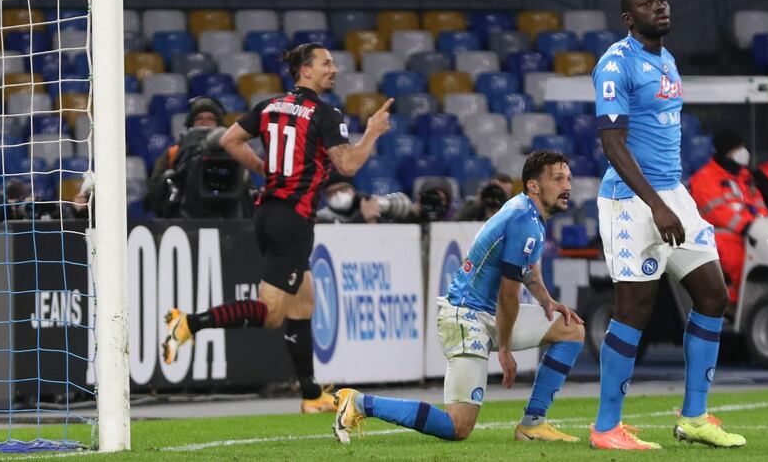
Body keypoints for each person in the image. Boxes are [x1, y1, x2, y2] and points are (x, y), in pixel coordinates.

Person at [161, 43, 392, 413]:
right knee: (271, 314)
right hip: (293, 219)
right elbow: (347, 165)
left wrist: (264, 170)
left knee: (304, 303)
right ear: (305, 71)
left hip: (269, 212)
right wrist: (373, 132)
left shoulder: (269, 106)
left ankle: (311, 393)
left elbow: (228, 140)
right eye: (326, 63)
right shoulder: (324, 113)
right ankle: (187, 323)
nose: (334, 68)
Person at [332, 150, 585, 445]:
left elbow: (527, 269)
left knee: (570, 329)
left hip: (486, 313)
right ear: (533, 185)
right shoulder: (523, 220)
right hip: (466, 317)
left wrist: (545, 301)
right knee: (457, 427)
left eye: (568, 178)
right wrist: (504, 349)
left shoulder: (530, 215)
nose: (567, 186)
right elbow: (508, 294)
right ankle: (359, 402)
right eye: (558, 179)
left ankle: (533, 424)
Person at [589, 0, 745, 450]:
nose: (658, 6)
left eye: (661, 0)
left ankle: (694, 417)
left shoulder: (667, 60)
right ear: (628, 18)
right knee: (634, 308)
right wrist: (655, 205)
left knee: (713, 294)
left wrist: (670, 199)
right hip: (630, 200)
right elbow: (612, 143)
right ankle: (605, 428)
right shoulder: (615, 63)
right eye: (645, 3)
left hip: (672, 193)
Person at [690, 130, 768, 304]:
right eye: (738, 148)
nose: (743, 152)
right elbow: (718, 213)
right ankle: (735, 306)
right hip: (718, 236)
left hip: (751, 233)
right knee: (742, 263)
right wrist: (749, 227)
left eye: (743, 147)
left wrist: (762, 227)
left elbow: (759, 204)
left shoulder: (744, 176)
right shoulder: (704, 178)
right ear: (726, 152)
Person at [316, 170, 413, 224]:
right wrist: (362, 217)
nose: (338, 195)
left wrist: (375, 218)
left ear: (353, 190)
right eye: (332, 193)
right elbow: (336, 236)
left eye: (343, 189)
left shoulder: (364, 203)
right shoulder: (322, 216)